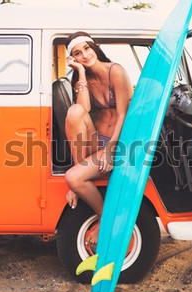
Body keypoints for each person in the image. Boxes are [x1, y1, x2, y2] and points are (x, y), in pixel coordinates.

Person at [64, 32, 133, 245]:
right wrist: (81, 74)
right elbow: (82, 111)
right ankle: (103, 213)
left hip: (119, 141)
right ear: (73, 58)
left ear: (94, 47)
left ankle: (103, 215)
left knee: (73, 177)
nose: (85, 55)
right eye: (78, 53)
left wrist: (110, 150)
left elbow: (123, 114)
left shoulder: (116, 71)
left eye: (87, 48)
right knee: (74, 111)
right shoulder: (83, 78)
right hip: (97, 141)